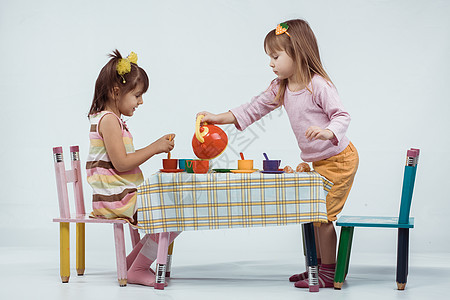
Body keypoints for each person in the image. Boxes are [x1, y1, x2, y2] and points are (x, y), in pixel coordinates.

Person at [197, 19, 358, 289]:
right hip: (319, 161)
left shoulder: (317, 85)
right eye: (269, 57)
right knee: (310, 211)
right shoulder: (281, 87)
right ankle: (315, 268)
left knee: (322, 215)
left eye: (275, 56)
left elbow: (341, 115)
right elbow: (252, 108)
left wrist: (329, 132)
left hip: (340, 160)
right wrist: (217, 118)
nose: (271, 63)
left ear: (298, 52)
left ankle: (329, 272)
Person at [86, 49, 179, 286]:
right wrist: (155, 147)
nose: (141, 101)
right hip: (116, 198)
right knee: (175, 214)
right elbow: (121, 163)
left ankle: (131, 262)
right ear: (116, 92)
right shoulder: (108, 120)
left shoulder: (111, 119)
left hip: (119, 194)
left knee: (172, 208)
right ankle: (138, 268)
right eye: (137, 95)